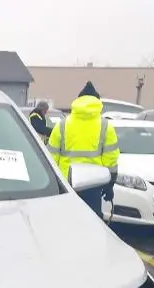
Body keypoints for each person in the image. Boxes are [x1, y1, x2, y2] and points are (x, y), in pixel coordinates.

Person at [47, 81, 119, 218]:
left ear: (77, 101)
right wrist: (110, 184)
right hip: (94, 184)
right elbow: (111, 159)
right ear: (98, 103)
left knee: (66, 222)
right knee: (91, 224)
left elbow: (51, 158)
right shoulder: (106, 126)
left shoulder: (62, 125)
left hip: (66, 184)